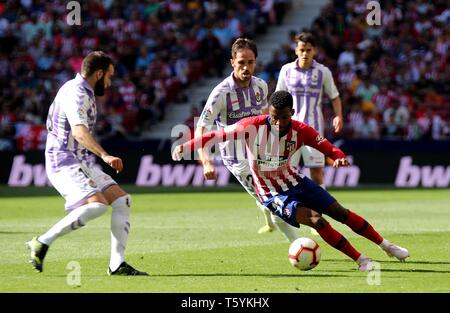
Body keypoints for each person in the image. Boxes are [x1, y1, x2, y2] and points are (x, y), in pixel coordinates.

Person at [173, 91, 409, 271]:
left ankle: (386, 246)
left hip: (295, 180)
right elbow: (215, 135)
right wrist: (186, 145)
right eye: (274, 117)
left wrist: (338, 158)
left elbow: (326, 146)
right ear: (269, 112)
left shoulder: (301, 130)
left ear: (291, 113)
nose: (278, 123)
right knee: (317, 221)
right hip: (271, 193)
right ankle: (361, 260)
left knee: (341, 212)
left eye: (284, 117)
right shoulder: (250, 126)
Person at [26, 51, 148, 276]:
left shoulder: (81, 90)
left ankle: (117, 264)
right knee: (96, 206)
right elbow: (80, 132)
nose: (110, 82)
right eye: (109, 76)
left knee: (122, 200)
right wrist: (104, 155)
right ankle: (42, 241)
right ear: (99, 73)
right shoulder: (77, 93)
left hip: (80, 160)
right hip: (63, 161)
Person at [195, 37, 299, 242]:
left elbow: (265, 119)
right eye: (241, 62)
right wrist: (206, 162)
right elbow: (201, 128)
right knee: (271, 199)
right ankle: (297, 245)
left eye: (250, 62)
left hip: (261, 151)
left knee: (273, 194)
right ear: (232, 62)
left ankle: (271, 222)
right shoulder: (220, 93)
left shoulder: (261, 86)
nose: (246, 67)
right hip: (238, 159)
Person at [276, 32, 343, 189]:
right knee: (286, 171)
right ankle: (291, 209)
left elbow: (335, 96)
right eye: (302, 49)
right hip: (289, 129)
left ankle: (319, 210)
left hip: (314, 129)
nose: (304, 53)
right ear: (296, 51)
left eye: (308, 50)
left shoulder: (322, 72)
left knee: (316, 172)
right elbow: (278, 98)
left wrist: (338, 116)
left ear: (315, 51)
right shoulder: (286, 70)